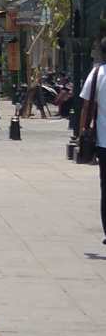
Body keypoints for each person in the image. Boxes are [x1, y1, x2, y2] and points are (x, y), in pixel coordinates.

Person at [77, 39, 106, 244]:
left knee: (105, 187)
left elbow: (86, 107)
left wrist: (81, 133)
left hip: (103, 142)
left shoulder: (96, 75)